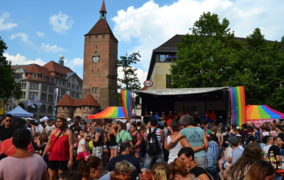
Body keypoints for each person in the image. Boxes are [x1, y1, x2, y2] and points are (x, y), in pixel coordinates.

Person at [42, 115, 74, 180]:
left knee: (62, 177)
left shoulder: (68, 132)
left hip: (63, 158)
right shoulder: (53, 131)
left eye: (60, 121)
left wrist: (71, 159)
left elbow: (71, 147)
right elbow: (48, 144)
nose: (57, 123)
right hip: (52, 157)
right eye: (56, 121)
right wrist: (43, 155)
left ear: (64, 122)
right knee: (52, 177)